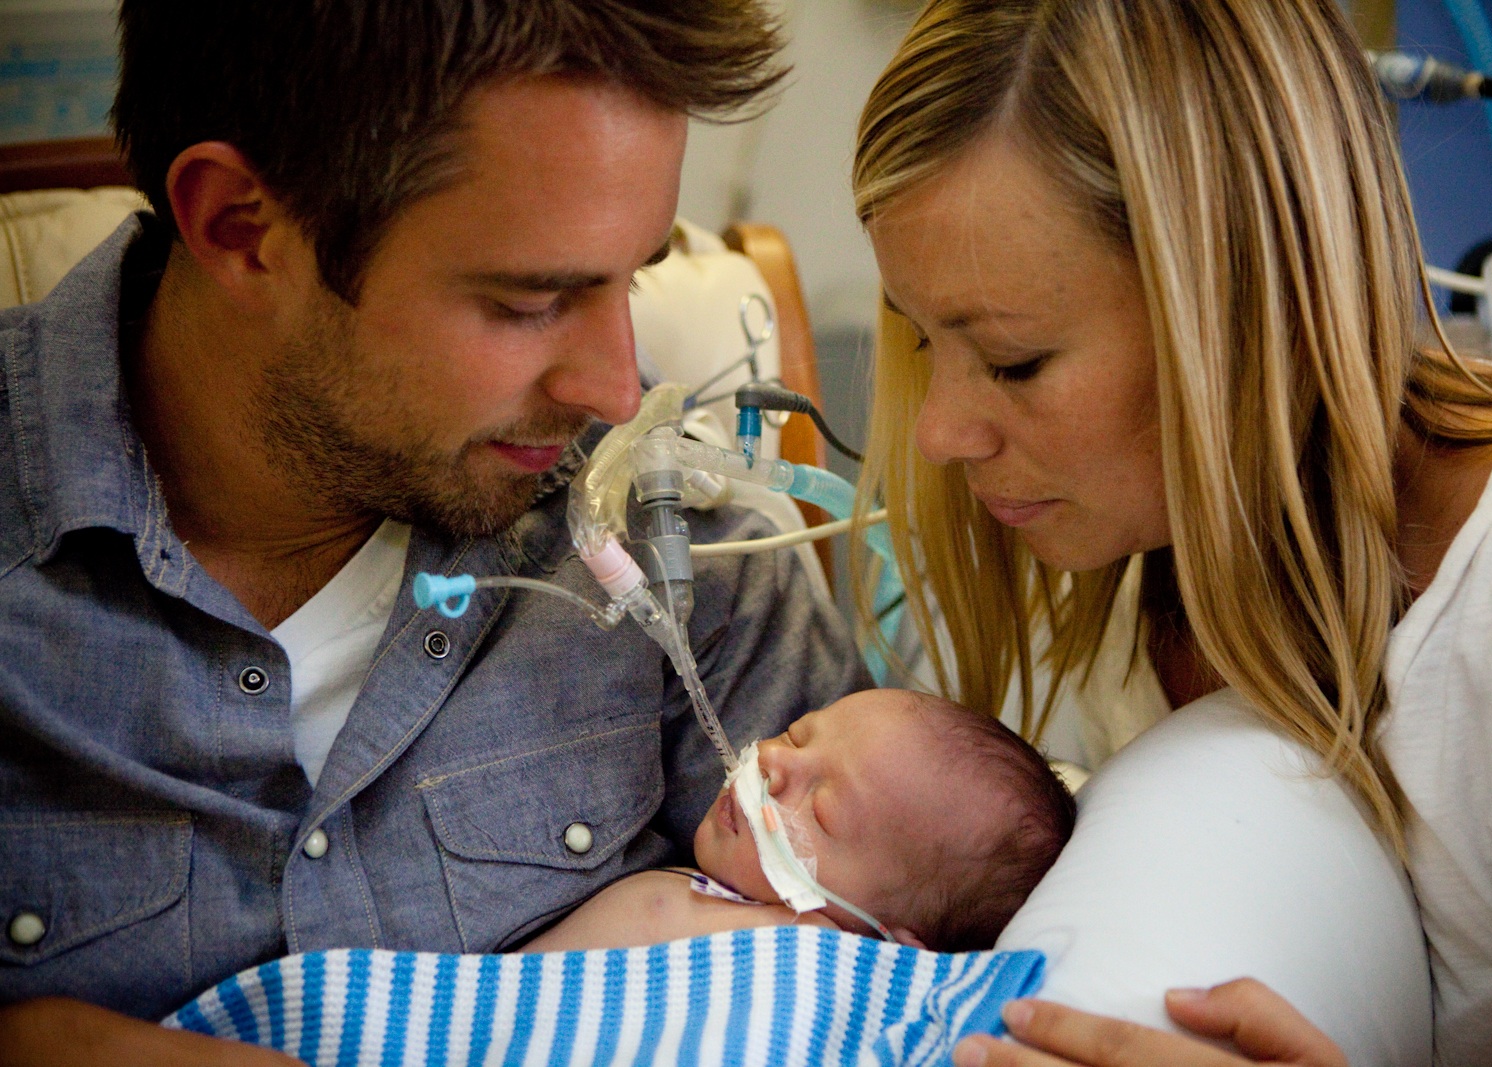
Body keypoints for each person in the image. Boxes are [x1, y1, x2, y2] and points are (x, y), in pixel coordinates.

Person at [0, 1, 872, 1063]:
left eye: (631, 275)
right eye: (527, 301)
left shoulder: (683, 558)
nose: (611, 385)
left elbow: (910, 960)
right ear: (239, 225)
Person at [848, 0, 1492, 1065]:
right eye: (923, 341)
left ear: (1251, 303)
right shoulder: (1094, 553)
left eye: (1012, 360)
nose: (937, 435)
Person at [522, 689, 1077, 954]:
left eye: (821, 812)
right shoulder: (732, 897)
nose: (770, 761)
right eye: (795, 733)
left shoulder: (812, 951)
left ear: (892, 939)